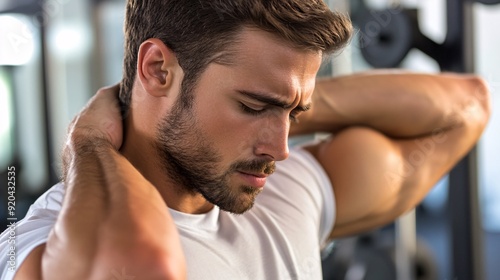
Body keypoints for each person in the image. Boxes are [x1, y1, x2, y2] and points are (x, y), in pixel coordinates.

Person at [0, 0, 491, 279]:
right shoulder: (39, 245)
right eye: (253, 105)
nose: (280, 148)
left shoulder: (284, 196)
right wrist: (87, 145)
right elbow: (138, 264)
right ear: (158, 70)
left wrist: (286, 108)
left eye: (295, 113)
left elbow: (466, 105)